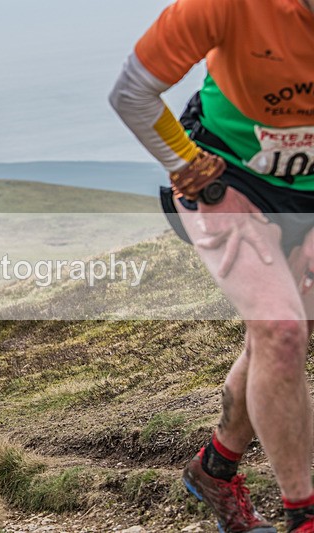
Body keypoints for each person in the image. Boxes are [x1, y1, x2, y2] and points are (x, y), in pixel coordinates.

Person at [110, 1, 314, 531]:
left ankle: (215, 470)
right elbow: (131, 93)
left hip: (307, 187)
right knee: (282, 330)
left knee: (283, 336)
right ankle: (305, 516)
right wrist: (182, 162)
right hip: (227, 176)